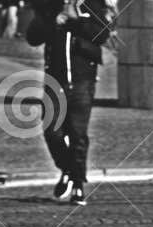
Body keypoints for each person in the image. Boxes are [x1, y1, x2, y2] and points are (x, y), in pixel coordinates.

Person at [25, 0, 113, 207]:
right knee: (51, 130)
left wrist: (73, 22)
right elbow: (32, 37)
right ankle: (67, 168)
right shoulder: (49, 6)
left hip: (83, 80)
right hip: (54, 80)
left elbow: (101, 34)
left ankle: (78, 185)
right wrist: (52, 21)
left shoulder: (93, 4)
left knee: (77, 134)